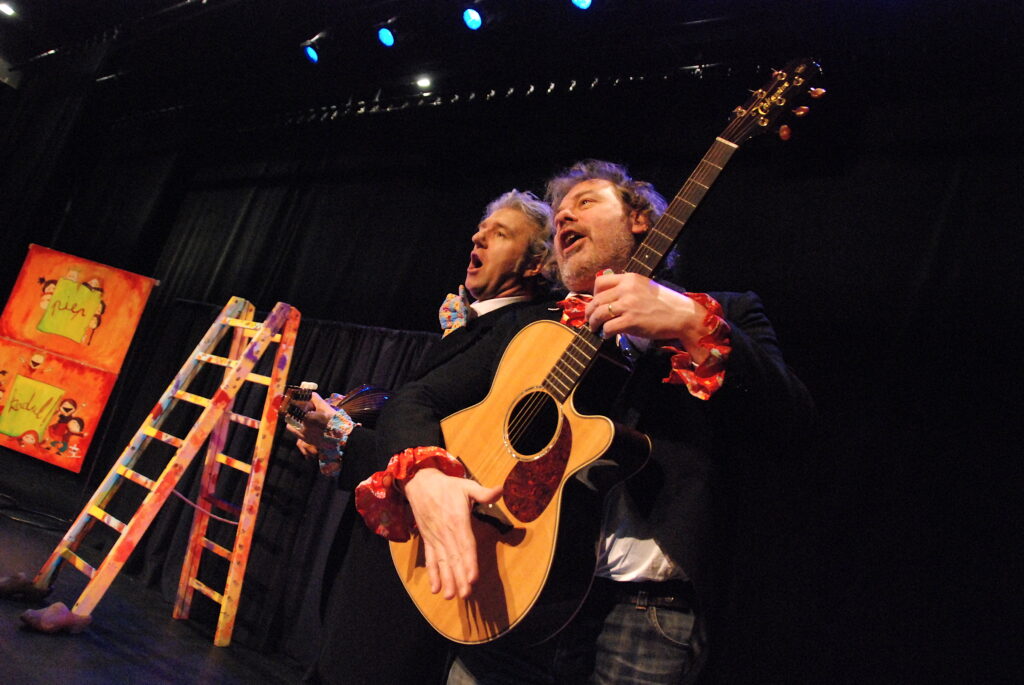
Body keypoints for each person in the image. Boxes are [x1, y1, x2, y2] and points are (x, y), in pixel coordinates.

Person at [353, 160, 814, 683]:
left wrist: (690, 325)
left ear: (640, 218)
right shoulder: (530, 326)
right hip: (508, 580)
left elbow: (792, 421)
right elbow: (416, 398)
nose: (563, 218)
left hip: (644, 613)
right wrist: (425, 475)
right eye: (557, 217)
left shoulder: (722, 313)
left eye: (586, 202)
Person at [288, 189, 556, 685]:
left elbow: (471, 459)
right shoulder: (476, 324)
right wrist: (340, 430)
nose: (478, 237)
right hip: (391, 552)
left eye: (500, 234)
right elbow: (435, 429)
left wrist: (341, 436)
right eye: (481, 228)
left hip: (423, 566)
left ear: (537, 262)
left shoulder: (526, 331)